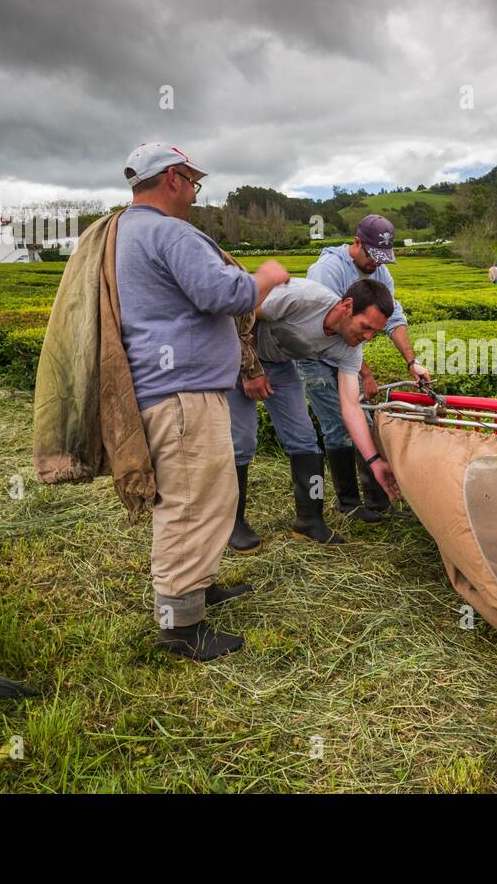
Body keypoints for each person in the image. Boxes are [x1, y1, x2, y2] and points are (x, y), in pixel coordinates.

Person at [115, 142, 288, 661]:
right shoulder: (167, 231)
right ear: (172, 178)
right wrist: (266, 278)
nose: (194, 191)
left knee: (205, 497)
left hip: (169, 389)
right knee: (190, 504)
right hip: (182, 395)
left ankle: (198, 585)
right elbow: (225, 295)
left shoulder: (124, 230)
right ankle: (180, 626)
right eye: (192, 181)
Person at [226, 277, 402, 546]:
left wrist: (375, 461)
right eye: (365, 327)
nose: (367, 337)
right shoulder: (301, 298)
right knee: (242, 443)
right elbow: (238, 315)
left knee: (306, 441)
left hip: (280, 366)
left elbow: (351, 407)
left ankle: (310, 519)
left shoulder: (350, 348)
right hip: (236, 360)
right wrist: (251, 369)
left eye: (374, 333)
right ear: (347, 306)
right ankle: (233, 524)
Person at [297, 215, 430, 524]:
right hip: (313, 353)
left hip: (346, 355)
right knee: (337, 423)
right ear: (356, 243)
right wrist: (365, 374)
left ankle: (377, 496)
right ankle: (348, 501)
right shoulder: (327, 272)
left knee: (364, 419)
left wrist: (412, 362)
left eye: (382, 258)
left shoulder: (381, 274)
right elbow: (341, 332)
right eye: (371, 255)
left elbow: (394, 319)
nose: (375, 264)